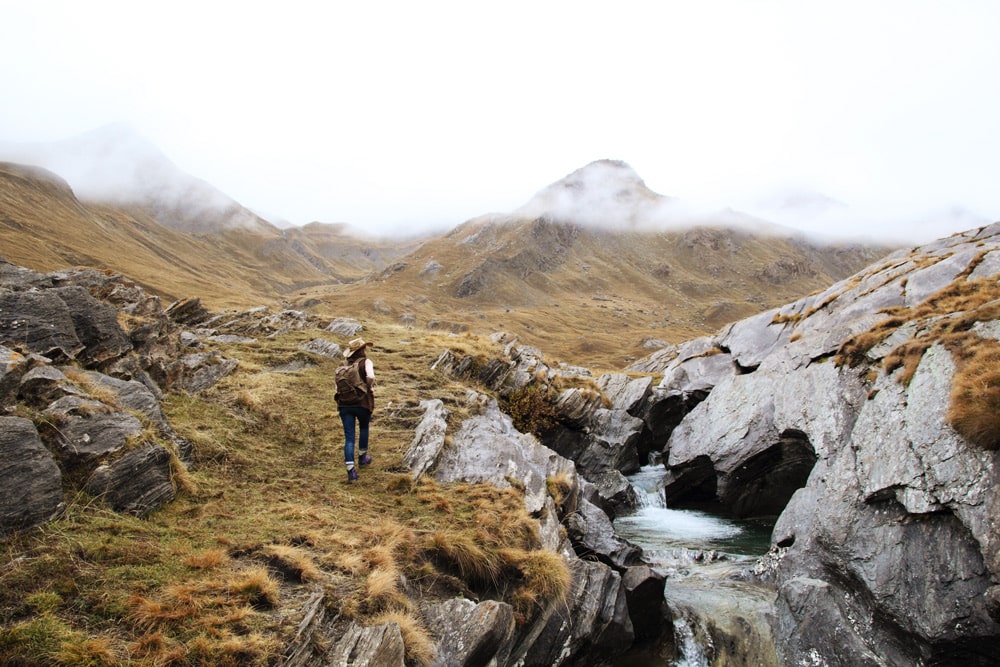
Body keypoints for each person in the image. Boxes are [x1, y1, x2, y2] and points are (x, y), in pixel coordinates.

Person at [336, 337, 376, 483]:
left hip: (344, 404)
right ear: (362, 350)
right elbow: (370, 376)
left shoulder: (342, 365)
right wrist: (369, 387)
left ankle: (350, 471)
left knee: (349, 437)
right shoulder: (366, 362)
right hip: (362, 402)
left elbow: (337, 386)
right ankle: (362, 457)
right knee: (364, 427)